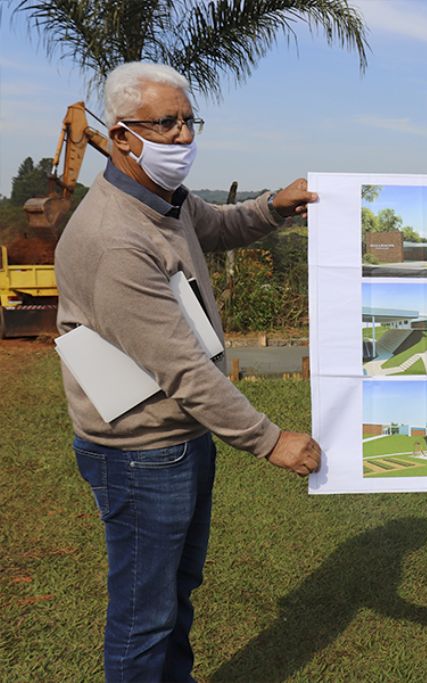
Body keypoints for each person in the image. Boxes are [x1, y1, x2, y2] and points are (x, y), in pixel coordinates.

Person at [55, 62, 321, 682]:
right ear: (121, 135)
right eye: (164, 123)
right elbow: (183, 370)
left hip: (179, 439)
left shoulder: (162, 203)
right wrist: (270, 440)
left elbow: (218, 224)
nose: (181, 136)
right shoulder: (117, 239)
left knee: (175, 591)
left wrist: (274, 207)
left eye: (187, 120)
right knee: (144, 614)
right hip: (141, 452)